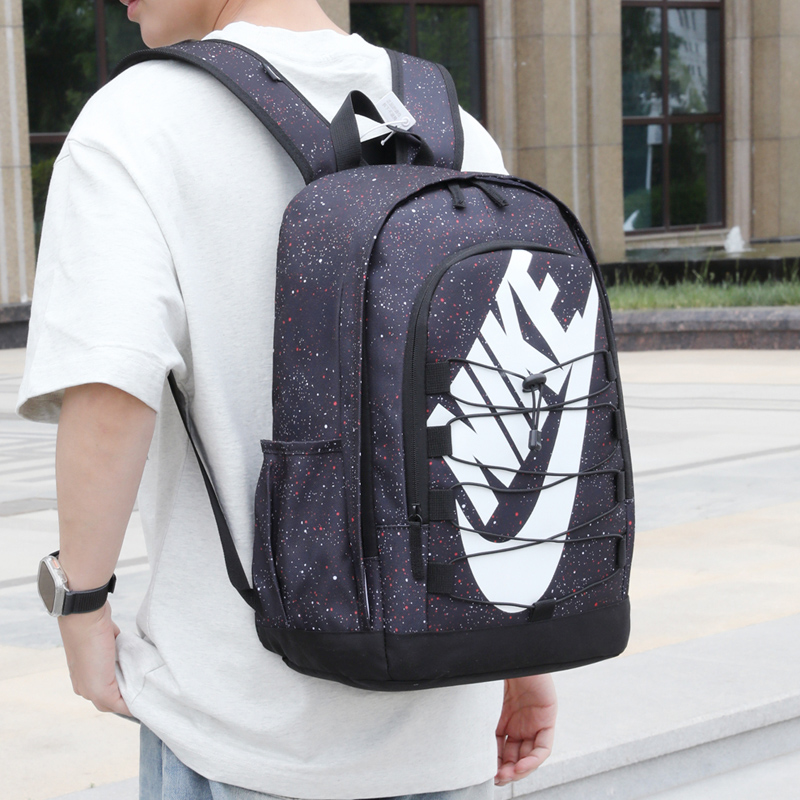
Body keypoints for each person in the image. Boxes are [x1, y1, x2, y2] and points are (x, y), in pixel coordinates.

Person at [18, 1, 558, 798]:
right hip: (443, 712)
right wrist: (523, 648)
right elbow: (503, 411)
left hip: (243, 725)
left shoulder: (136, 121)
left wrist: (81, 605)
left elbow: (110, 392)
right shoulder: (453, 129)